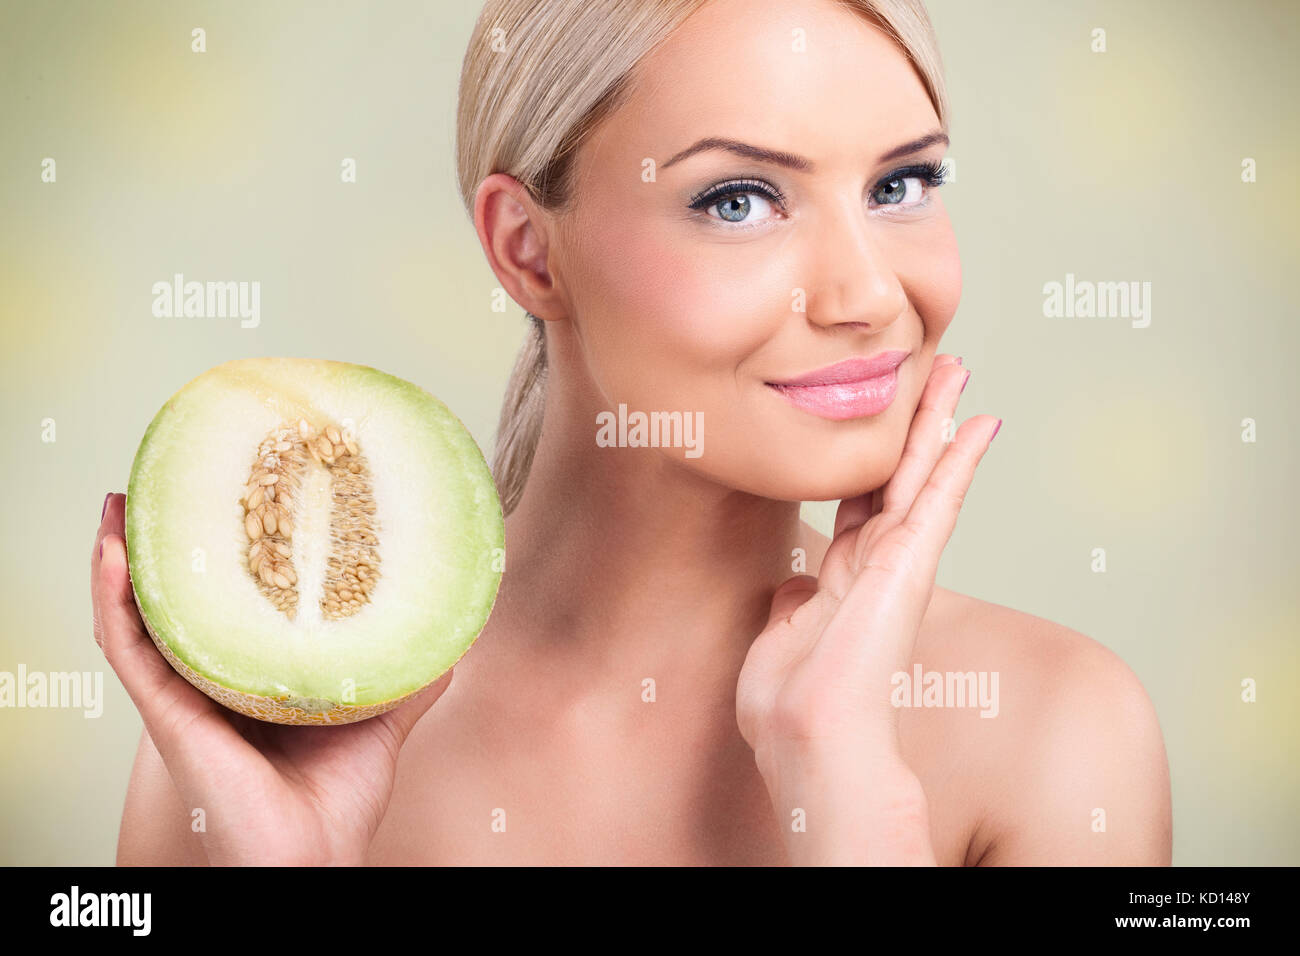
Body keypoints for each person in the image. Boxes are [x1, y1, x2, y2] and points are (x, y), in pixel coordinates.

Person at [94, 0, 1171, 865]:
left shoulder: (1056, 728)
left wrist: (844, 795)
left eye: (902, 183)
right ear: (528, 251)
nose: (866, 294)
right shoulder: (278, 731)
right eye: (740, 200)